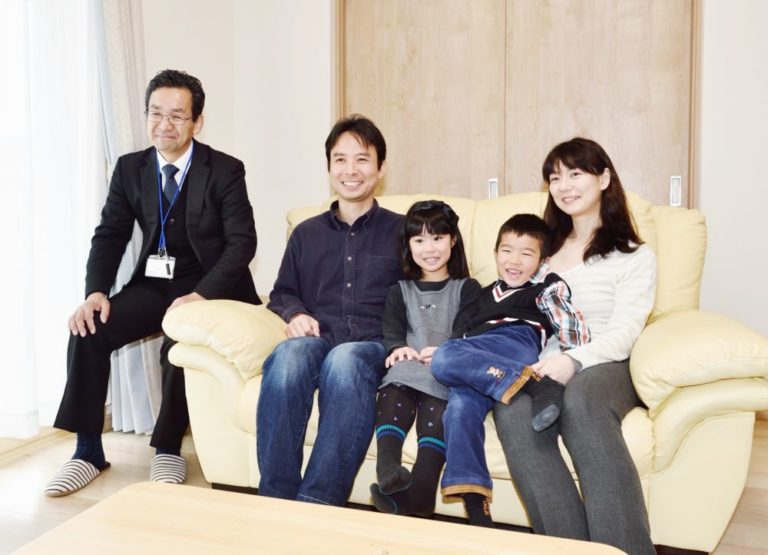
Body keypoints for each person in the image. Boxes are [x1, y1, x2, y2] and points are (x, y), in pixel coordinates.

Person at [45, 69, 260, 496]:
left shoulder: (224, 170)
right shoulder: (130, 168)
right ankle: (87, 451)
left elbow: (242, 244)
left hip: (210, 286)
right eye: (156, 113)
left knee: (178, 342)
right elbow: (110, 234)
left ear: (197, 122)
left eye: (177, 116)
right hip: (155, 282)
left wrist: (201, 295)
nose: (165, 124)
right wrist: (95, 292)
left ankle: (167, 448)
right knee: (88, 329)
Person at [493, 138, 657, 554]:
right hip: (546, 360)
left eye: (575, 173)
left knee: (581, 400)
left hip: (607, 361)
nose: (564, 186)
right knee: (510, 404)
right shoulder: (541, 252)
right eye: (554, 178)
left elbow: (626, 332)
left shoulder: (632, 255)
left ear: (604, 178)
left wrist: (574, 360)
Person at [256, 114, 404, 506]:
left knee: (345, 360)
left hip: (373, 344)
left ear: (381, 168)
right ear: (329, 168)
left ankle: (317, 503)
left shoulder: (404, 232)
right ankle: (274, 500)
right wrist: (295, 314)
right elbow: (282, 292)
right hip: (318, 335)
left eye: (362, 159)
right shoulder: (306, 233)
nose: (350, 170)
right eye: (340, 160)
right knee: (288, 356)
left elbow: (432, 288)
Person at [427, 213, 590, 527]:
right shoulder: (481, 293)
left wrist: (571, 357)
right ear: (495, 253)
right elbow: (459, 333)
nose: (514, 261)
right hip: (477, 358)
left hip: (516, 342)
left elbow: (574, 333)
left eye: (526, 254)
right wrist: (454, 352)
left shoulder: (545, 287)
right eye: (506, 251)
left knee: (444, 359)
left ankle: (534, 382)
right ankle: (475, 504)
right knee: (458, 408)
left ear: (542, 261)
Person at [367, 200, 481, 518]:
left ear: (453, 240)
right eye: (419, 240)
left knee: (441, 399)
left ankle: (423, 487)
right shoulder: (399, 290)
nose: (429, 248)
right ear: (408, 245)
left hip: (444, 368)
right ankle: (388, 467)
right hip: (409, 364)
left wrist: (447, 350)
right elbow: (391, 328)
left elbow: (469, 328)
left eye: (437, 238)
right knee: (394, 385)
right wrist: (396, 347)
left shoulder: (467, 288)